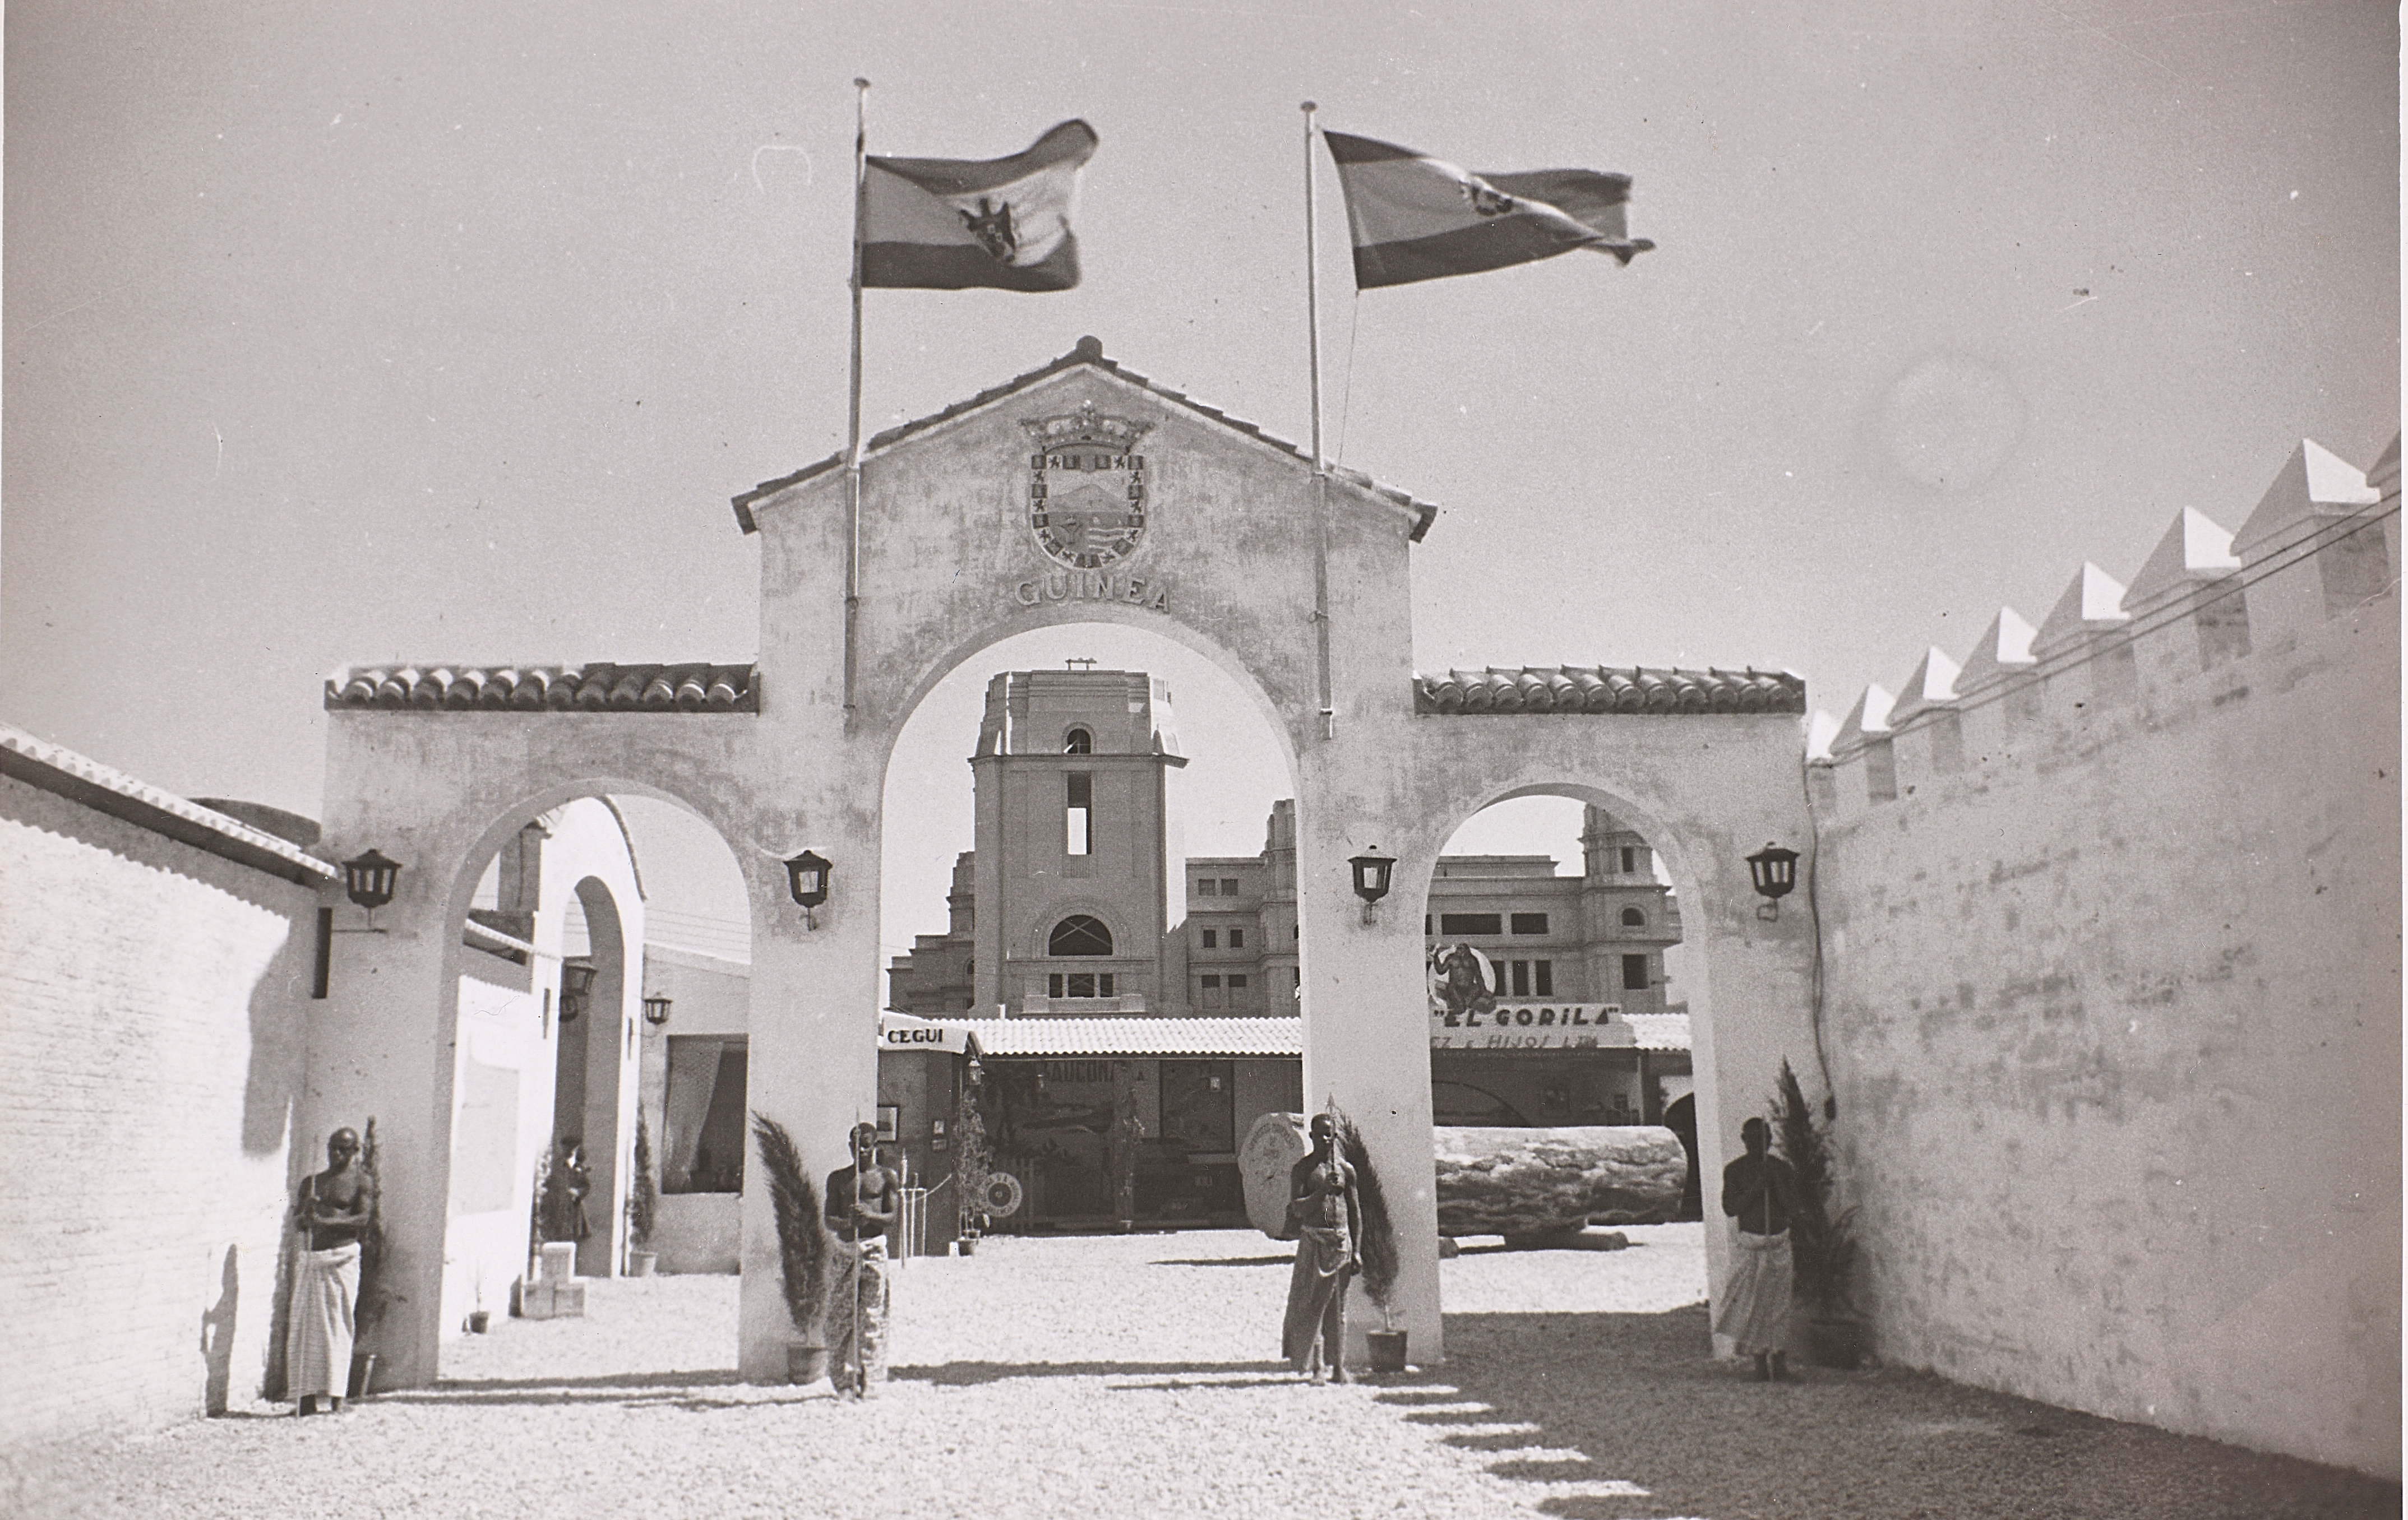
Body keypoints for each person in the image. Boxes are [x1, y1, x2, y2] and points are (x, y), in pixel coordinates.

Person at [287, 1127, 376, 1415]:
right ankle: (305, 1398)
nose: (335, 1154)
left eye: (342, 1148)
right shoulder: (312, 1184)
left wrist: (325, 1223)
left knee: (338, 1325)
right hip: (313, 1259)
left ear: (354, 1151)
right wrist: (306, 1211)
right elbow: (300, 1224)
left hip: (342, 1259)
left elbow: (363, 1220)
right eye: (332, 1148)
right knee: (305, 1328)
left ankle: (338, 1397)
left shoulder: (361, 1182)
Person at [1716, 1116, 1799, 1381]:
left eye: (1763, 1139)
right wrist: (1756, 1188)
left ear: (1770, 1141)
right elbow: (1730, 1208)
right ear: (1743, 1140)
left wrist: (1774, 1183)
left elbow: (1791, 1208)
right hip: (1751, 1246)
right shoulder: (1734, 1170)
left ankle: (1780, 1359)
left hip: (1777, 1244)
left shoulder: (1782, 1169)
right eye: (1751, 1139)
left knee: (1780, 1305)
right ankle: (1759, 1361)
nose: (1757, 1145)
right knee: (1753, 1305)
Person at [1281, 1111, 1361, 1383]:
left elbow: (1355, 1213)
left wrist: (1358, 1250)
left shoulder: (1346, 1170)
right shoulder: (1303, 1170)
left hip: (1341, 1244)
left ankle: (1338, 1367)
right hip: (1314, 1242)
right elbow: (1298, 1209)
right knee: (1313, 1305)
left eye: (1331, 1134)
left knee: (1338, 1308)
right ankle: (1316, 1367)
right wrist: (1322, 1191)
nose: (1328, 1139)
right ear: (1312, 1137)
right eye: (1322, 1134)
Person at [824, 1122, 898, 1398]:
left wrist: (870, 1217)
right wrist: (847, 1222)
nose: (862, 1150)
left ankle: (869, 1381)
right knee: (838, 1319)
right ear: (850, 1147)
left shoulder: (887, 1177)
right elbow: (829, 1219)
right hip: (845, 1251)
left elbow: (892, 1216)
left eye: (867, 1145)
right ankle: (841, 1382)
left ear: (876, 1146)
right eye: (856, 1145)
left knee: (872, 1317)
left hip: (874, 1252)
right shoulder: (838, 1179)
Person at [540, 1136, 592, 1245]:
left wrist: (577, 1192)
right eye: (565, 1148)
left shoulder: (579, 1168)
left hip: (573, 1209)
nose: (567, 1151)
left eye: (570, 1149)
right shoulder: (558, 1166)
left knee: (574, 1238)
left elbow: (586, 1186)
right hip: (559, 1206)